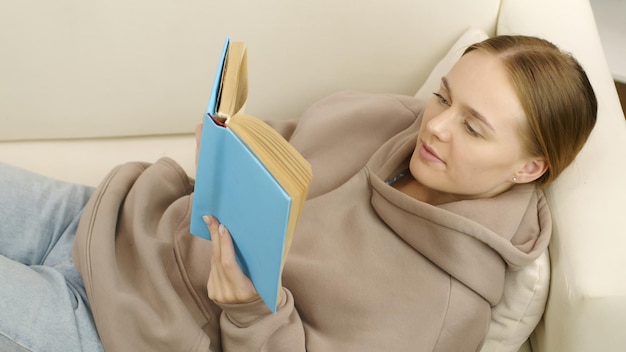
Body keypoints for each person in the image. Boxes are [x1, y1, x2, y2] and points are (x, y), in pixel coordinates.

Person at [0, 35, 596, 352]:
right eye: (445, 97)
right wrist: (227, 152)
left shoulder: (446, 313)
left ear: (528, 168)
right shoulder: (396, 121)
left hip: (117, 330)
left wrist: (251, 311)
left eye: (473, 127)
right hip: (110, 219)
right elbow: (279, 151)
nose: (434, 126)